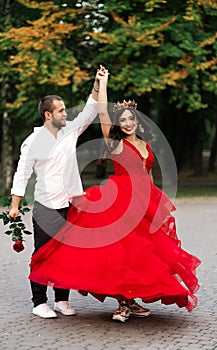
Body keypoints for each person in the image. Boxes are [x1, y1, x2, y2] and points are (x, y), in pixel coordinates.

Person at [29, 67, 201, 323]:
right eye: (123, 120)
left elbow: (149, 174)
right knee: (121, 252)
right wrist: (103, 82)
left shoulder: (146, 145)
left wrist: (155, 202)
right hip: (119, 200)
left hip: (143, 201)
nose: (128, 123)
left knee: (142, 253)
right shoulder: (116, 141)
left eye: (131, 119)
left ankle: (130, 300)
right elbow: (101, 110)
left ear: (137, 121)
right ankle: (122, 302)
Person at [9, 68, 101, 319]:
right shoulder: (32, 141)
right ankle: (39, 302)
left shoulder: (70, 131)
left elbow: (89, 111)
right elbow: (22, 173)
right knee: (43, 253)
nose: (65, 113)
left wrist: (97, 83)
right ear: (48, 114)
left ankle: (62, 300)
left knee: (67, 254)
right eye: (61, 110)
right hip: (46, 206)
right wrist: (15, 205)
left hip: (71, 204)